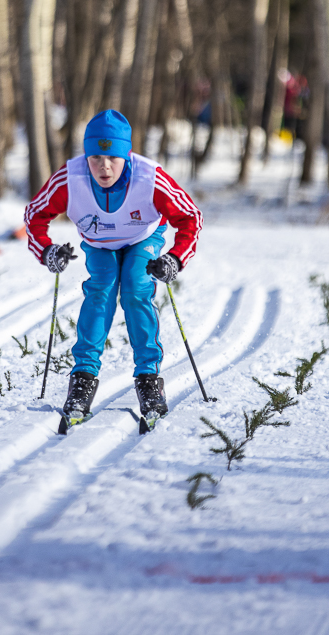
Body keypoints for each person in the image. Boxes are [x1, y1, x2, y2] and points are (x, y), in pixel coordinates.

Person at [24, 109, 202, 428]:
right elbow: (35, 215)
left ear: (126, 154)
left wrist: (174, 258)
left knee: (135, 288)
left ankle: (149, 379)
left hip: (143, 236)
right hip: (99, 242)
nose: (104, 167)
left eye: (113, 159)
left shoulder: (151, 179)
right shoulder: (70, 178)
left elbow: (190, 217)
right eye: (95, 158)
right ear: (86, 155)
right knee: (101, 290)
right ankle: (83, 378)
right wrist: (47, 250)